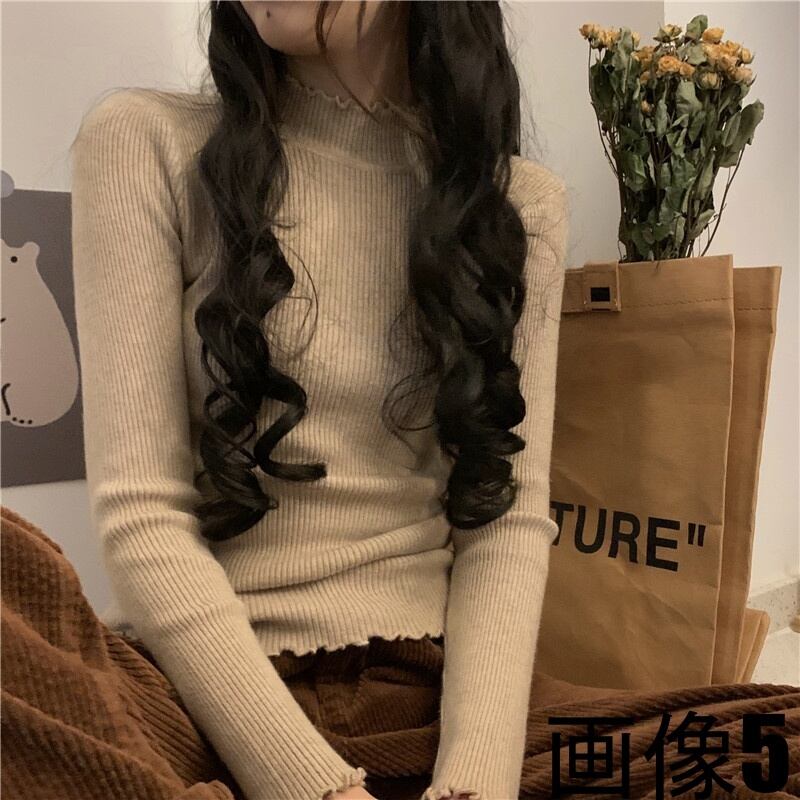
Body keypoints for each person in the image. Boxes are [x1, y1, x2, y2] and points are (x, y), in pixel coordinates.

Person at [3, 3, 798, 800]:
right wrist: (314, 789)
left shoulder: (517, 205)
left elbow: (503, 519)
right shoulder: (146, 140)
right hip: (206, 698)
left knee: (774, 743)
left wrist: (473, 783)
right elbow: (144, 513)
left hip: (425, 691)